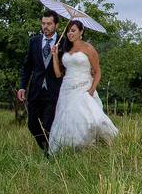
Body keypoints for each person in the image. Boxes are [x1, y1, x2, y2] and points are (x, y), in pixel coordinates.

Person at [47, 19, 118, 154]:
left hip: (83, 88)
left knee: (89, 119)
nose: (69, 33)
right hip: (66, 89)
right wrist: (55, 56)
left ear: (81, 32)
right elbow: (57, 74)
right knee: (67, 121)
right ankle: (70, 150)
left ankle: (92, 147)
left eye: (73, 30)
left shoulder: (88, 48)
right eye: (68, 31)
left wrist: (91, 90)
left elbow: (97, 72)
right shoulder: (66, 48)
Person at [17, 10, 63, 155]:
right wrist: (22, 87)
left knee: (49, 124)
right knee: (32, 125)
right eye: (43, 23)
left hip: (54, 90)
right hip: (35, 89)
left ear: (56, 25)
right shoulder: (34, 41)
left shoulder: (63, 42)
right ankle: (47, 148)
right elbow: (27, 66)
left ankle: (50, 154)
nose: (45, 26)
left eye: (49, 24)